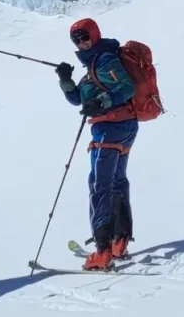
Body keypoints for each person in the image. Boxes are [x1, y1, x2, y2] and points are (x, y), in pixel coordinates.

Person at [56, 18, 138, 271]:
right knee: (117, 181)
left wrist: (101, 104)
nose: (81, 43)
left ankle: (103, 251)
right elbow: (77, 98)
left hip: (111, 129)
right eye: (76, 40)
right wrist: (66, 79)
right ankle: (119, 240)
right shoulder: (95, 62)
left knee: (99, 185)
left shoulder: (104, 60)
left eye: (84, 37)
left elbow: (126, 88)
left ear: (94, 34)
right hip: (121, 126)